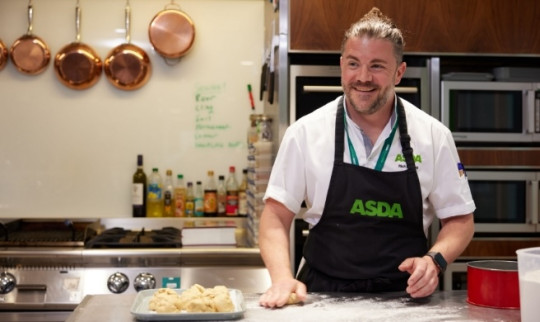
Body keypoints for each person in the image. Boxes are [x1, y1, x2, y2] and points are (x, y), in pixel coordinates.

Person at [258, 7, 475, 308]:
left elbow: (460, 219)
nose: (362, 77)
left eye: (377, 66)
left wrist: (435, 260)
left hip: (406, 297)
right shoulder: (305, 133)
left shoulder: (433, 136)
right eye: (353, 64)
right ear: (341, 66)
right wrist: (282, 277)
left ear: (399, 72)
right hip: (323, 295)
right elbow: (274, 217)